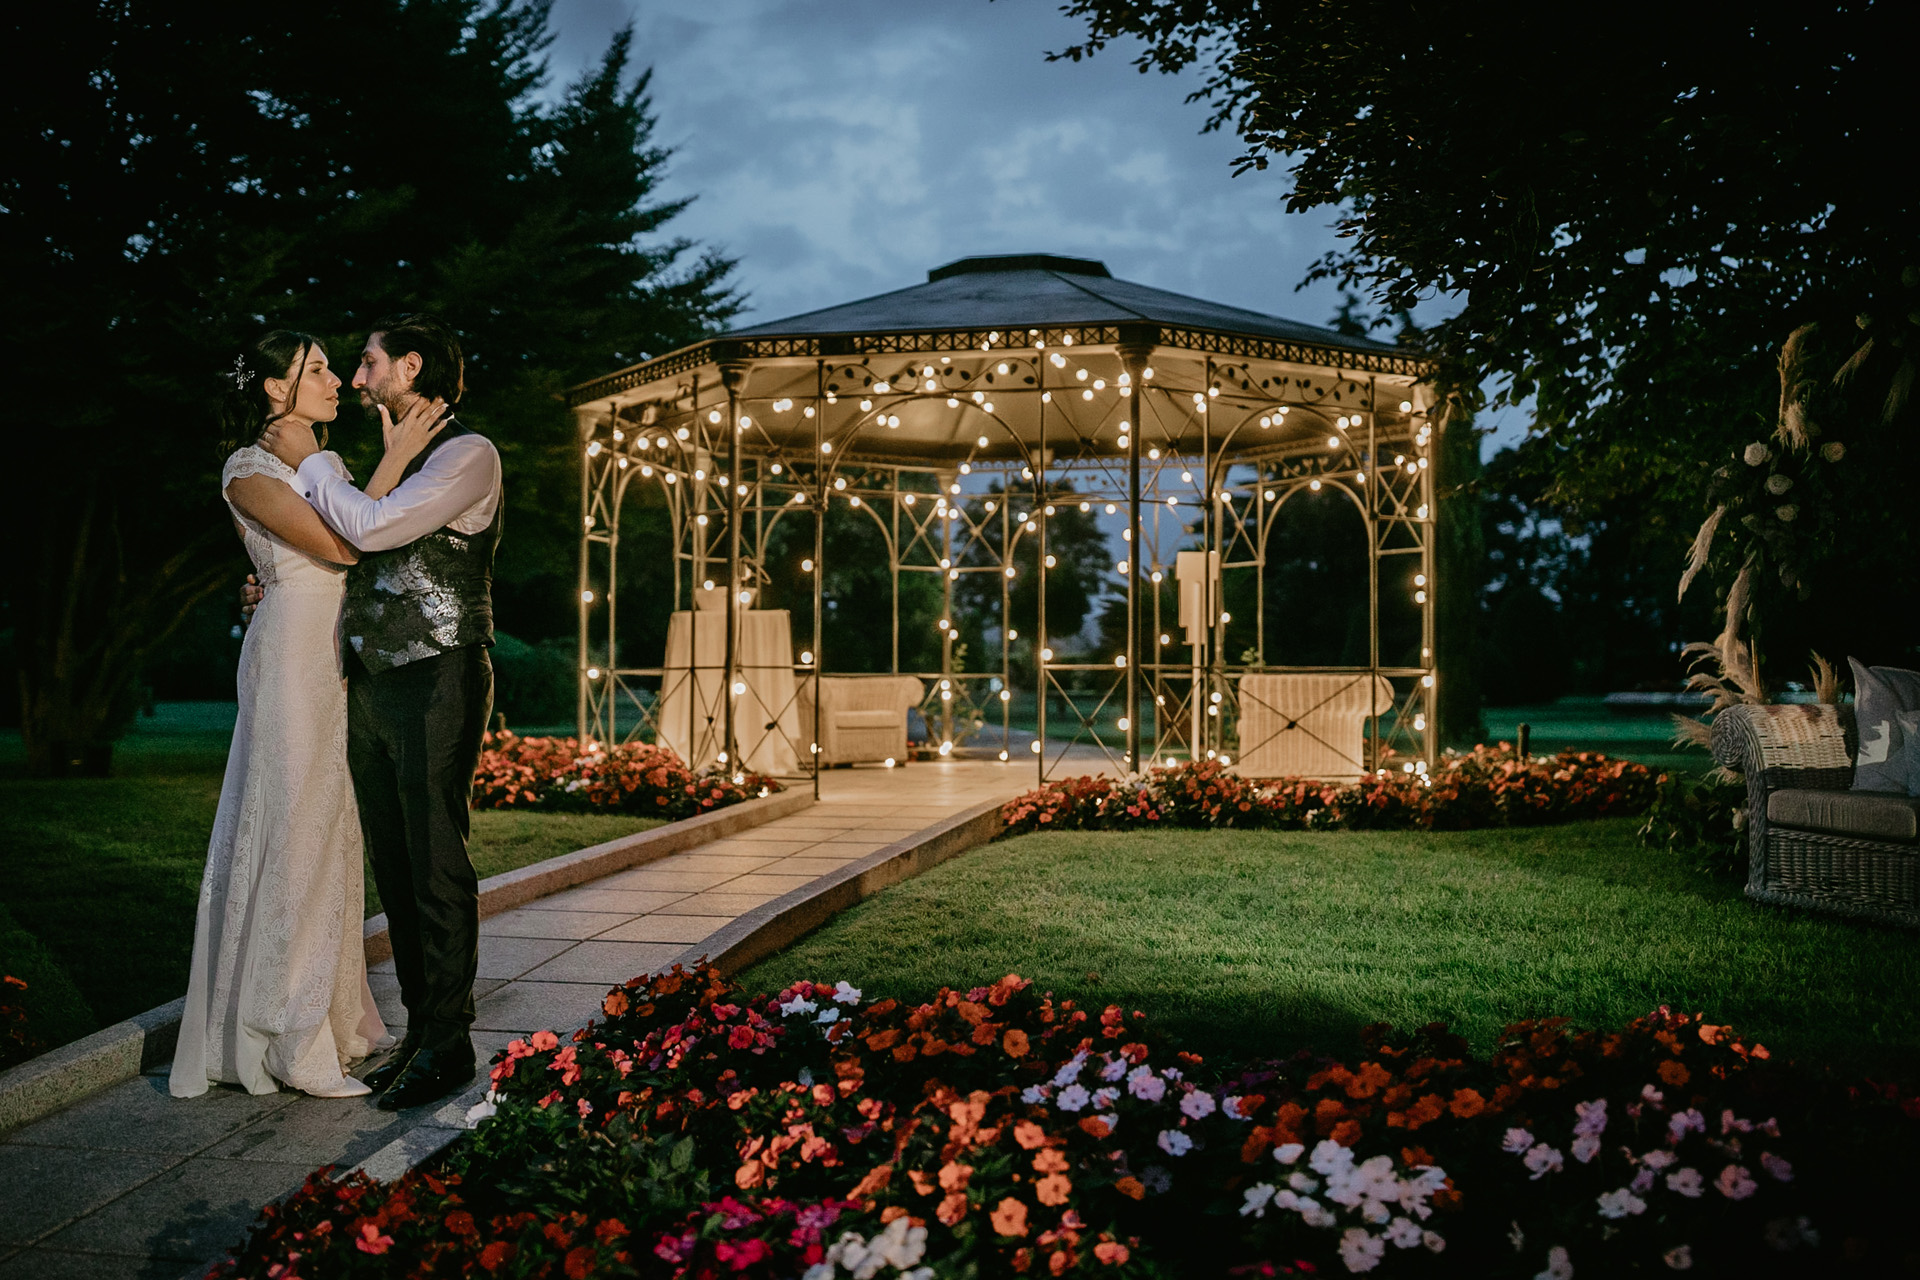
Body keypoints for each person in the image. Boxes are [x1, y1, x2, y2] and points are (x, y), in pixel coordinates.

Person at [172, 331, 447, 1099]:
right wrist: (393, 459)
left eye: (333, 367)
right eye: (317, 370)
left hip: (335, 656)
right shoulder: (250, 468)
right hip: (293, 657)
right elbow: (348, 545)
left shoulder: (311, 463)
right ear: (272, 389)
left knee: (331, 831)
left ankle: (331, 1020)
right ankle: (285, 1038)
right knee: (292, 827)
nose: (335, 382)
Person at [259, 313, 503, 1112]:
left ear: (412, 365)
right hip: (371, 678)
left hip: (439, 676)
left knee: (435, 861)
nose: (357, 381)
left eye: (368, 364)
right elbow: (339, 551)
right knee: (396, 867)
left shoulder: (469, 454)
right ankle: (421, 1032)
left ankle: (451, 1043)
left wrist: (316, 461)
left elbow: (367, 528)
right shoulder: (395, 458)